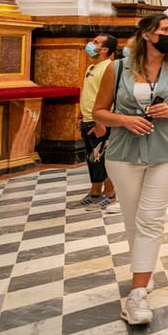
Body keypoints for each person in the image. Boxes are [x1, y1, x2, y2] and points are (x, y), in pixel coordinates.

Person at [92, 14, 168, 325]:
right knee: (132, 216)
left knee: (151, 216)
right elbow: (99, 110)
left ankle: (137, 293)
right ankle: (145, 268)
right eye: (165, 30)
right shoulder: (118, 69)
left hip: (166, 149)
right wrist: (125, 120)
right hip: (123, 152)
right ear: (146, 35)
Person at [69, 34, 119, 212]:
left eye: (96, 42)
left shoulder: (109, 68)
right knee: (92, 158)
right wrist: (81, 115)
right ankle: (95, 193)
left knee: (105, 159)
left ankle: (111, 194)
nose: (90, 44)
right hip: (89, 119)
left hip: (101, 121)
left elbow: (108, 97)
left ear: (105, 49)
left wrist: (100, 121)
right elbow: (89, 93)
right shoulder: (92, 67)